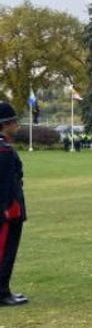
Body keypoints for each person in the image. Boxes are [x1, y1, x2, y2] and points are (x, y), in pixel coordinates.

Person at [0, 103, 28, 306]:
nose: (16, 126)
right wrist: (10, 208)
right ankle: (2, 292)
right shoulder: (4, 150)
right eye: (13, 122)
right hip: (8, 211)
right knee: (5, 251)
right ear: (5, 124)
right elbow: (6, 183)